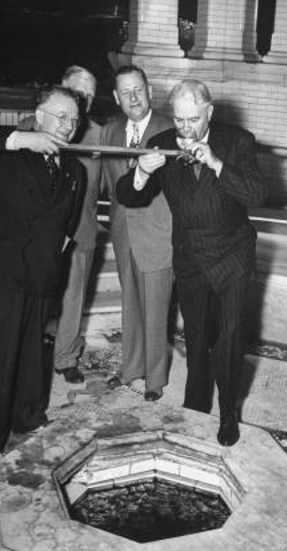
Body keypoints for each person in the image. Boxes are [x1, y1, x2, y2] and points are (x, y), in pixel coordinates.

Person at [117, 79, 266, 446]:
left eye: (193, 119)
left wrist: (215, 163)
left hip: (232, 255)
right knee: (197, 341)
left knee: (230, 338)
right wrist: (142, 172)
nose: (185, 129)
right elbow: (128, 197)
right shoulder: (163, 144)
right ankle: (195, 405)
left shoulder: (238, 141)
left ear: (209, 112)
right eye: (179, 120)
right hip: (190, 258)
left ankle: (228, 412)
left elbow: (256, 195)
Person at [0, 87, 86, 467]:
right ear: (39, 115)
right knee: (0, 356)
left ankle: (28, 418)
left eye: (74, 120)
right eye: (60, 117)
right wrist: (22, 139)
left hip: (42, 274)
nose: (68, 126)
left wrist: (54, 259)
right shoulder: (10, 152)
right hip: (2, 273)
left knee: (32, 353)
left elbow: (68, 223)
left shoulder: (75, 169)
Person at [100, 65, 174, 402]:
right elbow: (110, 184)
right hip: (123, 231)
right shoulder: (109, 131)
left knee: (156, 308)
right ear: (116, 98)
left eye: (138, 90)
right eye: (125, 92)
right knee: (130, 302)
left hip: (158, 232)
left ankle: (155, 379)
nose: (133, 97)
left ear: (150, 92)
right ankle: (131, 368)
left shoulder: (170, 129)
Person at [51, 66, 102, 384]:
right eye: (78, 93)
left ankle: (66, 357)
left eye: (89, 96)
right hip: (38, 232)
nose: (83, 101)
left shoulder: (99, 135)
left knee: (73, 298)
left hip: (81, 230)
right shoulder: (32, 127)